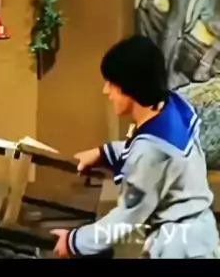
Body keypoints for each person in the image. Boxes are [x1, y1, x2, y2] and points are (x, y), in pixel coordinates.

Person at [51, 35, 220, 260]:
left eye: (112, 83)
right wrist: (104, 153)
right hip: (200, 238)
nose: (106, 91)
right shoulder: (173, 106)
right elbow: (159, 155)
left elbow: (126, 217)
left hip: (179, 248)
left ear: (130, 86)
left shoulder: (150, 151)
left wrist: (74, 242)